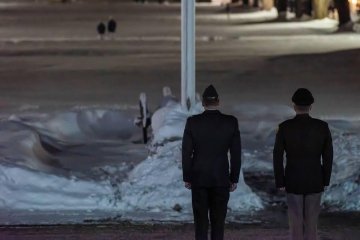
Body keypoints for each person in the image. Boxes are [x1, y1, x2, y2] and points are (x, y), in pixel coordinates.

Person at [182, 85, 241, 240]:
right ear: (218, 101)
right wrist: (234, 178)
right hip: (221, 178)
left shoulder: (193, 122)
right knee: (218, 222)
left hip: (199, 178)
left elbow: (186, 153)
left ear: (202, 103)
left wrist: (187, 177)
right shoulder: (231, 122)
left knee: (200, 222)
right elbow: (235, 154)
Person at [273, 88, 333, 240]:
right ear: (311, 107)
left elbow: (277, 156)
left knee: (295, 220)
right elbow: (328, 156)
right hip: (315, 178)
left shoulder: (284, 127)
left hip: (293, 178)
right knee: (312, 223)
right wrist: (326, 180)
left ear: (294, 106)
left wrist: (280, 181)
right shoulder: (322, 127)